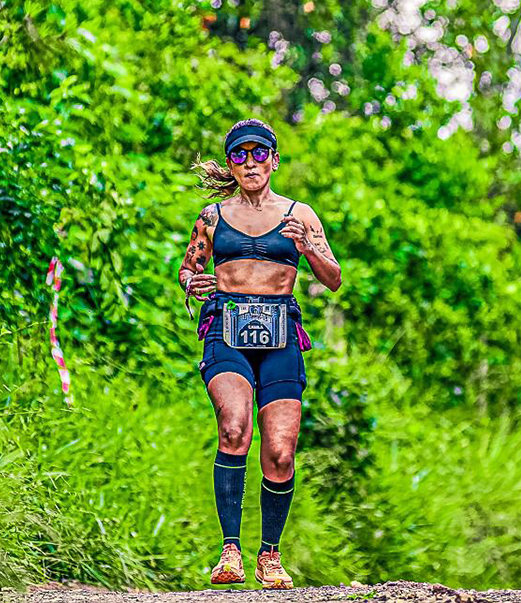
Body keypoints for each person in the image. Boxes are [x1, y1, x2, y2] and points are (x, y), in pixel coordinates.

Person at [177, 118, 341, 589]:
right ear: (231, 164)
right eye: (240, 155)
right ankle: (230, 550)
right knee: (234, 426)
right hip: (226, 328)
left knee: (281, 452)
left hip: (280, 333)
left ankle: (269, 555)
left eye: (259, 153)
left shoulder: (300, 214)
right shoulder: (212, 217)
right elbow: (187, 268)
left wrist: (307, 247)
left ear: (274, 160)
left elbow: (333, 279)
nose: (250, 163)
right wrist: (193, 282)